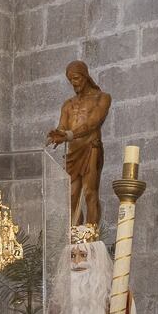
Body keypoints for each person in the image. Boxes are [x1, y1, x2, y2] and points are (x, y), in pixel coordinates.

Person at [46, 61, 112, 231]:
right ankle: (75, 237)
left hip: (91, 148)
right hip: (73, 152)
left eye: (76, 78)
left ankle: (91, 236)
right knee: (72, 196)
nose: (74, 83)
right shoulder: (68, 104)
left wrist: (68, 135)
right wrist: (57, 134)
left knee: (90, 193)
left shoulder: (102, 98)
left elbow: (92, 123)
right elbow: (63, 125)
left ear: (85, 76)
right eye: (70, 80)